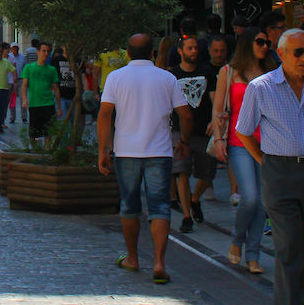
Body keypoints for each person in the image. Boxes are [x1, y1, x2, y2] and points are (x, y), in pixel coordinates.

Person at [98, 33, 194, 286]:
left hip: (126, 151)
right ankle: (159, 262)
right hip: (159, 152)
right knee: (160, 207)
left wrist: (103, 150)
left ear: (127, 53)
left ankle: (132, 257)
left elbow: (105, 115)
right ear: (153, 53)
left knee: (129, 207)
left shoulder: (115, 77)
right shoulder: (167, 78)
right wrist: (184, 141)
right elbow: (185, 114)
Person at [236, 29, 304, 305]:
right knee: (290, 247)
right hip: (279, 174)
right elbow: (243, 131)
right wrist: (265, 162)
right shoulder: (261, 87)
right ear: (281, 54)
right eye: (299, 52)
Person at [212, 27, 276, 274]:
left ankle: (253, 256)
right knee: (249, 196)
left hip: (267, 144)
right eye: (260, 42)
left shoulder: (271, 73)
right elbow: (218, 109)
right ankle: (238, 239)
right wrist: (218, 140)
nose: (264, 46)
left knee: (262, 202)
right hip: (239, 142)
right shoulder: (228, 73)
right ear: (248, 43)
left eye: (267, 43)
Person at [168, 35, 218, 233]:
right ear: (181, 51)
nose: (194, 51)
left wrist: (215, 120)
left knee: (208, 173)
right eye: (190, 48)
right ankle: (187, 215)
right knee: (182, 171)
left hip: (203, 130)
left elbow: (215, 99)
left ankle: (195, 199)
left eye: (196, 48)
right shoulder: (172, 75)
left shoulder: (207, 72)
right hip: (179, 131)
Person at [203, 36, 230, 202]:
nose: (219, 54)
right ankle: (208, 186)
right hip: (209, 118)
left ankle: (235, 191)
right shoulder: (206, 70)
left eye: (222, 51)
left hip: (228, 118)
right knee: (208, 160)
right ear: (209, 51)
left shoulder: (232, 70)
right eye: (215, 51)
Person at [22, 43, 61, 144]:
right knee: (33, 133)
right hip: (35, 104)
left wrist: (59, 107)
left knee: (48, 132)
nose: (46, 53)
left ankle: (46, 153)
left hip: (48, 104)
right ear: (38, 52)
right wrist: (24, 99)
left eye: (48, 51)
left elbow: (56, 89)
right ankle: (36, 151)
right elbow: (24, 85)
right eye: (44, 51)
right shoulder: (29, 68)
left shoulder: (52, 70)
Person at [51, 45, 76, 120]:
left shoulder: (77, 60)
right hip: (61, 95)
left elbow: (83, 76)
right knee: (62, 121)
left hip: (75, 96)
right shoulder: (56, 60)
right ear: (62, 47)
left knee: (75, 121)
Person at [8, 43, 27, 123]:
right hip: (12, 80)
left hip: (21, 79)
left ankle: (24, 116)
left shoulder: (23, 57)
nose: (15, 50)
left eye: (16, 48)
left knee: (23, 98)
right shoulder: (9, 57)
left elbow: (25, 68)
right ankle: (12, 117)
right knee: (12, 99)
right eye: (13, 48)